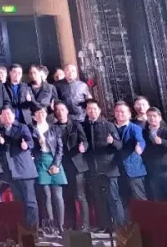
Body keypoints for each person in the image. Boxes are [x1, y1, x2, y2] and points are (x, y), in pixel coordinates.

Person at [82, 99, 124, 231]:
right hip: (93, 168)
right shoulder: (84, 126)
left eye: (94, 108)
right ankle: (105, 226)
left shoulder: (108, 125)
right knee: (99, 199)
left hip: (109, 168)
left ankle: (120, 226)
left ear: (99, 110)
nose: (92, 111)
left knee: (113, 198)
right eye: (89, 109)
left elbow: (119, 145)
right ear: (86, 111)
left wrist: (112, 142)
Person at [0, 105, 39, 227]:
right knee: (19, 202)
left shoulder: (21, 127)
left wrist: (26, 145)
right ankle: (23, 228)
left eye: (8, 114)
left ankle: (33, 228)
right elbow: (0, 150)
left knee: (30, 202)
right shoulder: (1, 132)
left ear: (14, 115)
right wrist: (0, 143)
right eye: (3, 115)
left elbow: (30, 142)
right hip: (11, 172)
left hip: (24, 170)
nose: (6, 117)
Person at [53, 101, 89, 230]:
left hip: (77, 164)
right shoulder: (53, 128)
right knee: (67, 196)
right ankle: (72, 224)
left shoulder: (75, 125)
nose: (60, 112)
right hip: (63, 165)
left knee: (80, 195)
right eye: (57, 110)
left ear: (67, 111)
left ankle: (85, 225)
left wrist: (83, 146)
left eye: (62, 109)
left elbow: (84, 141)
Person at [31, 105, 66, 233]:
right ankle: (50, 225)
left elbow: (60, 148)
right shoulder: (32, 130)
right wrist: (39, 144)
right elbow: (30, 148)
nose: (40, 115)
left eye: (42, 112)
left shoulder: (54, 128)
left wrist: (56, 164)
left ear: (46, 114)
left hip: (54, 160)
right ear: (34, 116)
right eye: (37, 113)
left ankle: (61, 225)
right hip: (41, 160)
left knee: (58, 195)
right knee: (46, 195)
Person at [113, 101, 147, 201]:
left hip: (133, 169)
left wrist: (140, 147)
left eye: (122, 111)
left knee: (139, 198)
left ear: (129, 114)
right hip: (116, 169)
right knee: (121, 199)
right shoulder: (110, 127)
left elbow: (140, 140)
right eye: (117, 111)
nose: (119, 114)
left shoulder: (135, 128)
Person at [143, 108, 167, 200]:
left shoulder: (165, 131)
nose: (152, 118)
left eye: (154, 116)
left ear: (160, 118)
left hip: (165, 169)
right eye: (149, 116)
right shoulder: (145, 132)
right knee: (157, 197)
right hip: (152, 169)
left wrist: (162, 141)